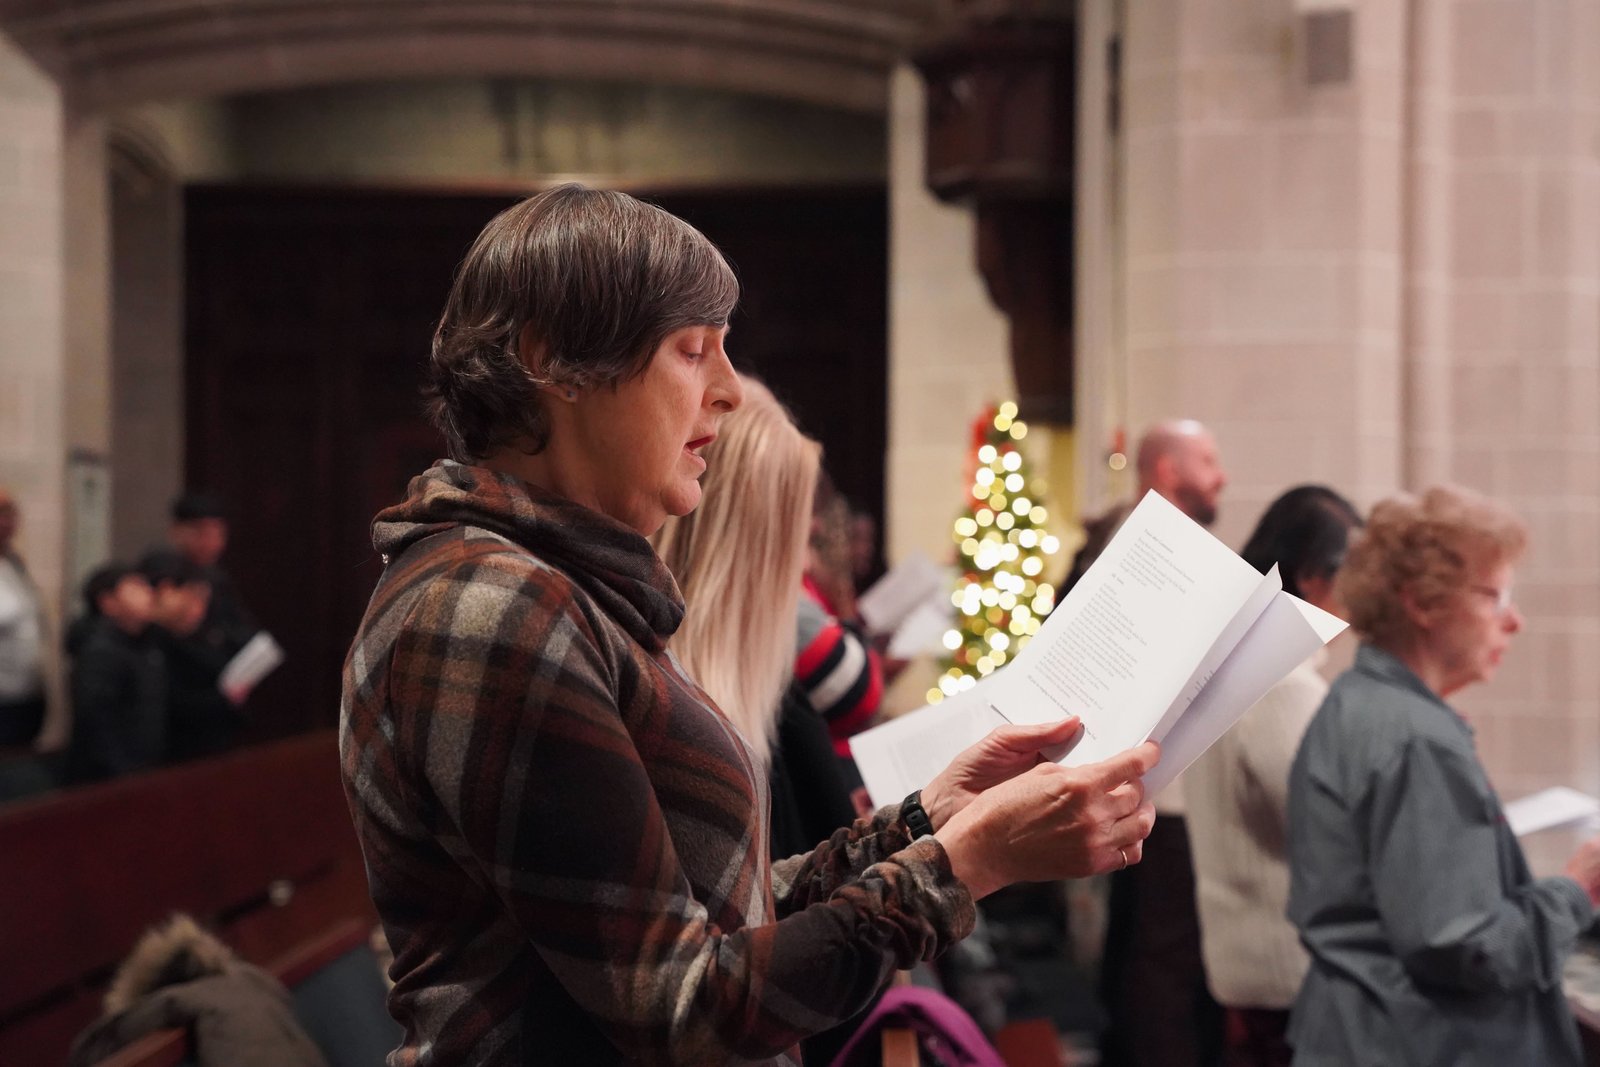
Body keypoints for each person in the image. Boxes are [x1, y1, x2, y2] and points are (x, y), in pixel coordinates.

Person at [339, 184, 1159, 1066]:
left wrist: (926, 821)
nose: (729, 392)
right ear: (555, 364)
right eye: (693, 351)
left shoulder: (557, 590)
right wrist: (967, 864)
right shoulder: (492, 609)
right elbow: (682, 1009)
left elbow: (710, 912)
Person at [1286, 485, 1600, 1066]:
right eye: (1495, 597)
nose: (1516, 622)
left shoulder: (1360, 701)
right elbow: (1465, 946)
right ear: (1422, 604)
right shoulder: (1415, 737)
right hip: (1416, 1043)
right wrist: (1575, 891)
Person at [1183, 486, 1362, 1067]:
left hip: (1246, 959)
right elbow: (1326, 829)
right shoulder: (1285, 684)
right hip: (1287, 969)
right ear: (1313, 578)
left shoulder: (1234, 662)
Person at [1085, 419, 1228, 1067]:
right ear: (1167, 471)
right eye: (1207, 460)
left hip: (1156, 783)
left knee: (1148, 948)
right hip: (1155, 784)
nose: (1220, 476)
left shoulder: (1168, 543)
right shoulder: (1139, 545)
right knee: (1160, 960)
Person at [140, 550, 245, 762]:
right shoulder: (146, 642)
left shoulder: (201, 634)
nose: (199, 609)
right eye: (194, 597)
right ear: (166, 590)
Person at [67, 563, 167, 783]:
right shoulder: (100, 652)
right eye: (135, 589)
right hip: (109, 776)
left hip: (145, 765)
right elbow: (96, 720)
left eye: (147, 587)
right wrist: (124, 771)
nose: (148, 594)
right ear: (108, 603)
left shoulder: (147, 642)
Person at [168, 493, 256, 656]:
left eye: (218, 534)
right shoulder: (163, 574)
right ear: (176, 531)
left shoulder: (218, 580)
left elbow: (242, 631)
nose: (211, 542)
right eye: (202, 533)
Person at [0, 488, 48, 747]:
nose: (6, 522)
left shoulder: (13, 563)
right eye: (0, 513)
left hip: (26, 696)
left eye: (10, 513)